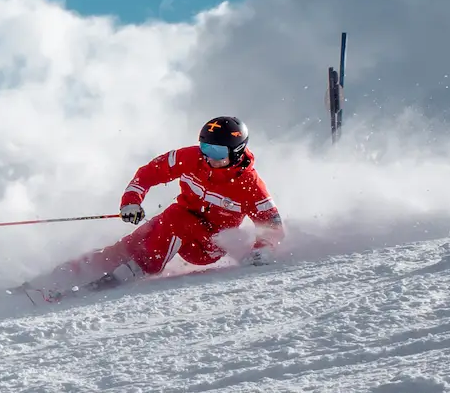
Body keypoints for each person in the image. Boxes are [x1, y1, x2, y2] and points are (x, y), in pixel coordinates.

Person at [28, 116, 283, 301]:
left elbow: (272, 224)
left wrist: (261, 251)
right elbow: (150, 172)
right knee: (132, 241)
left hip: (207, 245)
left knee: (174, 217)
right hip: (177, 223)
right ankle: (58, 277)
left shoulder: (249, 184)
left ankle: (134, 270)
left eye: (216, 151)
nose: (209, 157)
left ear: (237, 152)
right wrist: (131, 201)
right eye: (205, 148)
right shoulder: (191, 158)